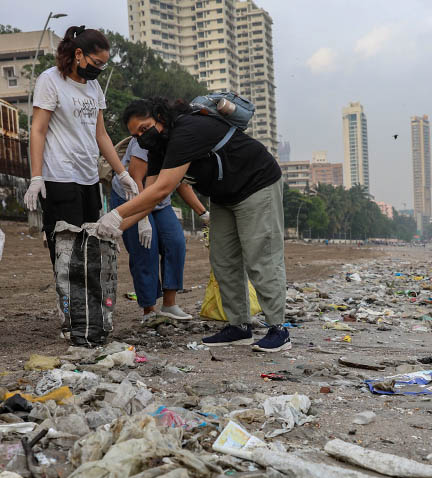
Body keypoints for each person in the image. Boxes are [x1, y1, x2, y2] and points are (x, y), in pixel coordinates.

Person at [96, 98, 288, 352]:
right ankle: (239, 326)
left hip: (256, 184)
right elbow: (150, 195)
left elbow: (162, 189)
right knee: (223, 260)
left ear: (159, 116)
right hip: (224, 195)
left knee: (260, 256)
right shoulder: (158, 147)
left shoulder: (186, 130)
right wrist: (117, 228)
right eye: (135, 134)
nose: (142, 137)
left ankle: (278, 329)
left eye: (144, 128)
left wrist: (116, 215)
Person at [22, 25, 137, 268]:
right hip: (60, 177)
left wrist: (122, 173)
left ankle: (87, 305)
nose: (98, 69)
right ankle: (67, 305)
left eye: (102, 65)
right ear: (78, 54)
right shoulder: (51, 80)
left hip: (88, 178)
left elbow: (101, 134)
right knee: (68, 251)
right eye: (96, 62)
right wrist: (36, 177)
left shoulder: (93, 88)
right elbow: (38, 129)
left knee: (91, 247)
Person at [112, 99, 209, 323]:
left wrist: (203, 214)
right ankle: (149, 310)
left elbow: (181, 183)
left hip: (160, 200)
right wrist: (142, 218)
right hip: (133, 196)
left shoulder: (180, 138)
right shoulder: (145, 141)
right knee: (145, 248)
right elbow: (137, 179)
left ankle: (170, 304)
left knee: (175, 242)